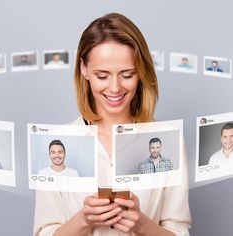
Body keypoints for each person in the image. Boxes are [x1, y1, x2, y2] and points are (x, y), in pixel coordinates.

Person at [34, 13, 191, 236]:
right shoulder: (56, 141)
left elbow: (179, 230)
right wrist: (83, 221)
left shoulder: (169, 140)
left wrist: (142, 225)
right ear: (84, 70)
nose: (115, 88)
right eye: (102, 75)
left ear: (141, 73)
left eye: (127, 74)